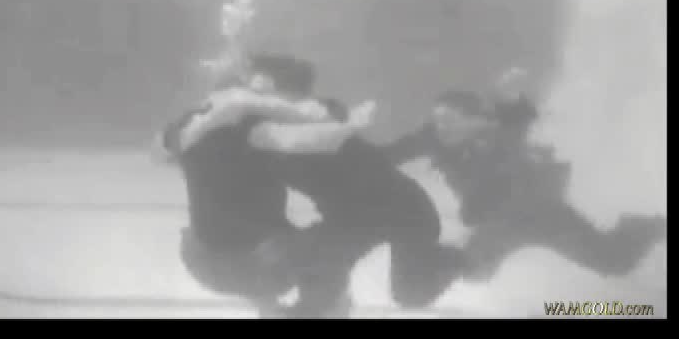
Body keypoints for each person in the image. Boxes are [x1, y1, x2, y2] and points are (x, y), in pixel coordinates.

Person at [157, 52, 376, 316]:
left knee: (274, 236)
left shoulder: (194, 122)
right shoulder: (258, 128)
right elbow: (311, 134)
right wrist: (347, 125)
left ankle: (273, 307)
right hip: (250, 262)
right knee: (334, 244)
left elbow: (163, 149)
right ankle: (314, 312)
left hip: (201, 258)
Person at [385, 84, 667, 283]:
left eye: (449, 119)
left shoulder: (501, 134)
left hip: (544, 214)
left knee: (614, 262)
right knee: (472, 274)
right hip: (497, 222)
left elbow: (520, 119)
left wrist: (514, 100)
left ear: (473, 120)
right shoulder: (433, 138)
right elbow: (389, 154)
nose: (441, 126)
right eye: (436, 119)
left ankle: (644, 227)